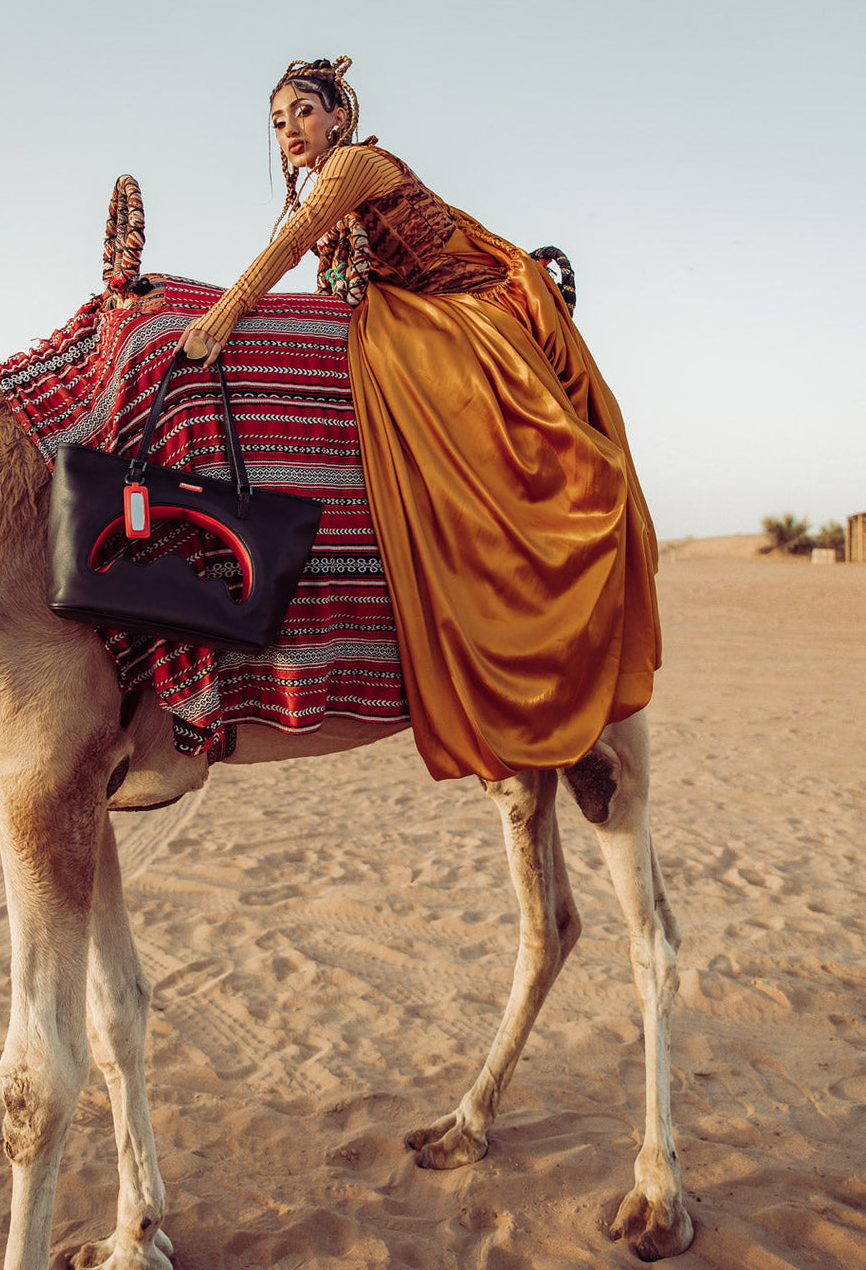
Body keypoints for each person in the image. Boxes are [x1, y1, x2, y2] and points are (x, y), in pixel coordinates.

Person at [180, 56, 661, 782]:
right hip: (419, 309)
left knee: (459, 422)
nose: (290, 131)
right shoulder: (334, 187)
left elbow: (290, 241)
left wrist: (221, 318)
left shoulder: (353, 166)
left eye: (303, 112)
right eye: (277, 123)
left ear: (338, 115)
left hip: (469, 310)